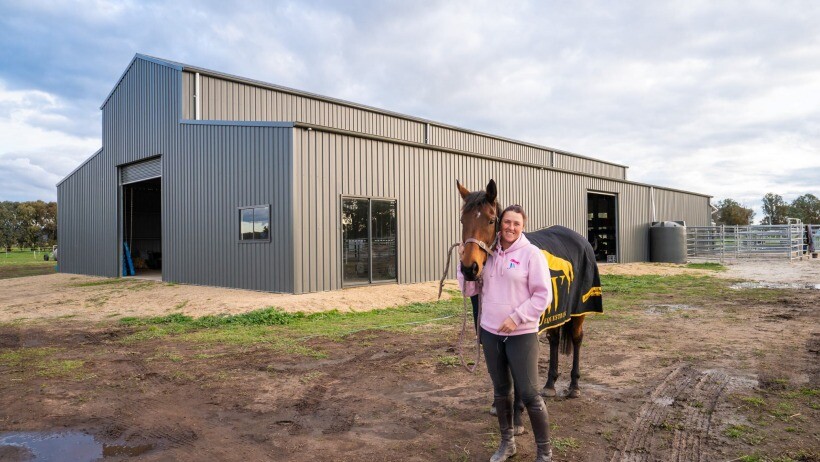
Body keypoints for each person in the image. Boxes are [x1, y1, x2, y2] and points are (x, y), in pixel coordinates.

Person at [459, 204, 553, 462]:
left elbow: (544, 295)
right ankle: (507, 443)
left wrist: (517, 317)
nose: (510, 227)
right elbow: (469, 291)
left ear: (522, 227)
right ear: (500, 224)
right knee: (501, 392)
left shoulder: (532, 254)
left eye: (516, 224)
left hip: (521, 335)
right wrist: (463, 263)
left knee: (531, 394)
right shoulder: (488, 254)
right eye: (507, 222)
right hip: (490, 334)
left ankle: (544, 453)